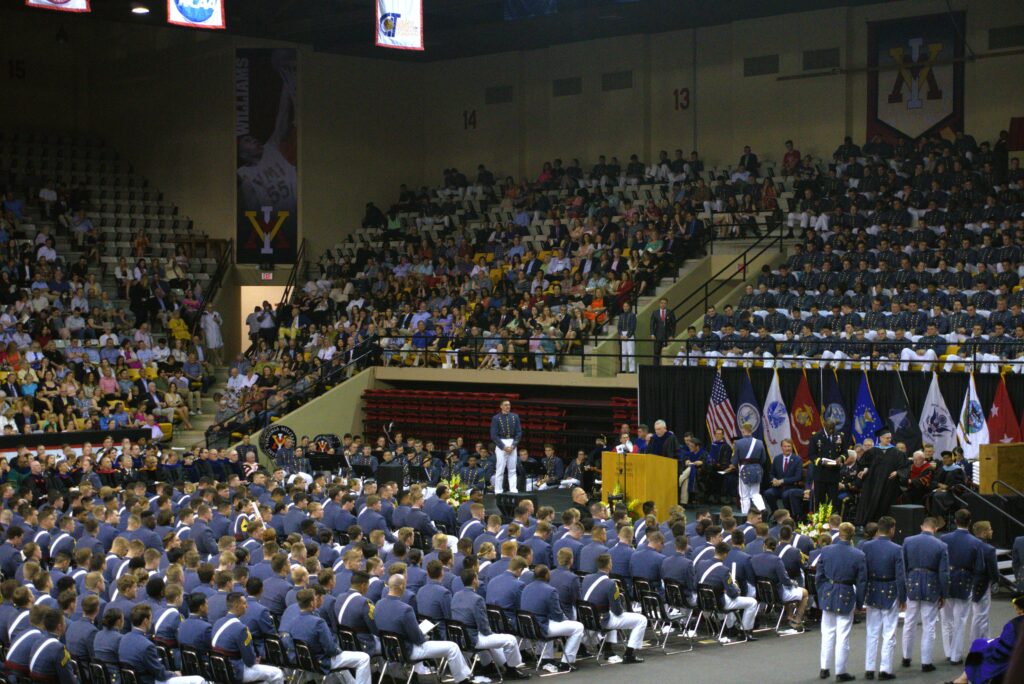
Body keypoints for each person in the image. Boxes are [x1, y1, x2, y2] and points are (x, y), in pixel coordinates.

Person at [373, 575, 481, 684]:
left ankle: (466, 675)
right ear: (401, 586)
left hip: (389, 650)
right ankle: (463, 680)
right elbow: (418, 639)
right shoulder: (405, 609)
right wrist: (424, 635)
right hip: (408, 650)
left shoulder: (378, 604)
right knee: (453, 647)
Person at [450, 569, 531, 680]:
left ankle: (497, 666)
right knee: (510, 639)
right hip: (472, 639)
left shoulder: (456, 595)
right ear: (474, 580)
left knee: (493, 641)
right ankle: (512, 669)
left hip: (459, 637)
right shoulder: (477, 599)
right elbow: (484, 627)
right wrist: (491, 633)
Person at [815, 522, 867, 682]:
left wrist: (821, 592)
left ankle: (824, 668)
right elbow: (861, 582)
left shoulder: (826, 550)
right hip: (845, 593)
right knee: (842, 635)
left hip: (828, 592)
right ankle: (840, 671)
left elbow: (819, 576)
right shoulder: (858, 555)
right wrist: (859, 603)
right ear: (853, 535)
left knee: (827, 632)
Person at [901, 516, 950, 673]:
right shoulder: (941, 545)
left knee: (909, 622)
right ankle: (926, 662)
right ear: (935, 529)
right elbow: (943, 572)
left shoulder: (908, 541)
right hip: (932, 586)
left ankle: (906, 657)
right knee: (929, 625)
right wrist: (944, 594)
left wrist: (904, 587)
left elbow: (904, 566)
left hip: (912, 583)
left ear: (922, 526)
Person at [860, 515, 906, 680]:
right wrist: (903, 597)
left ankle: (869, 668)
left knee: (872, 631)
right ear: (892, 529)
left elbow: (862, 573)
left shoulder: (866, 546)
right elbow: (900, 576)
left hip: (872, 589)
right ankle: (885, 669)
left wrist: (862, 594)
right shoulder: (896, 549)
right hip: (890, 591)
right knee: (889, 632)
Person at [580, 554, 646, 663]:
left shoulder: (587, 578)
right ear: (609, 565)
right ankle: (629, 654)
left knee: (611, 615)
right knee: (641, 620)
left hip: (586, 617)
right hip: (601, 620)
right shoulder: (611, 583)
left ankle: (608, 650)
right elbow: (618, 611)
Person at [941, 509, 987, 666]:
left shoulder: (944, 538)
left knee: (946, 619)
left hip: (946, 581)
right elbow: (980, 567)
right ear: (970, 522)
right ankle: (955, 656)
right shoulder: (976, 542)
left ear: (955, 520)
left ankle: (948, 652)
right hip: (964, 582)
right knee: (960, 620)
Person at [946, 594, 1024, 684]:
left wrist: (991, 643)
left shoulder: (1014, 624)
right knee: (981, 644)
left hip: (1011, 660)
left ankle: (964, 680)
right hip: (1014, 654)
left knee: (979, 645)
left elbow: (1002, 651)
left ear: (1019, 609)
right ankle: (962, 679)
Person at [118, 604, 205, 684]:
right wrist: (174, 674)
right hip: (148, 681)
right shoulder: (147, 646)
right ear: (145, 621)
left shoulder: (124, 638)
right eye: (151, 618)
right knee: (198, 680)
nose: (151, 622)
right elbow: (160, 674)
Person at [211, 592, 285, 684]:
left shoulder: (218, 622)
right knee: (277, 673)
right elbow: (250, 661)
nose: (247, 606)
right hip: (236, 671)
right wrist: (254, 659)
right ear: (237, 606)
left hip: (218, 670)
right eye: (244, 603)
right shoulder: (242, 629)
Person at [854, 431, 908, 527]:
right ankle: (869, 526)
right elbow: (865, 465)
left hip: (889, 484)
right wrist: (865, 470)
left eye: (890, 438)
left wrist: (897, 472)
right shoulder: (871, 452)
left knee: (886, 504)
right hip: (873, 484)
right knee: (871, 503)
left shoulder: (896, 453)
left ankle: (887, 526)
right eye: (887, 438)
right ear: (881, 438)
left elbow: (904, 467)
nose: (889, 440)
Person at [809, 419, 845, 509]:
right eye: (829, 429)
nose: (831, 431)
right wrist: (821, 461)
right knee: (819, 501)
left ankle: (833, 521)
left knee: (833, 502)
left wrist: (841, 458)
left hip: (834, 474)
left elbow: (845, 452)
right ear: (824, 426)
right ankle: (819, 520)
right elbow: (811, 455)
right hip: (821, 474)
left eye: (833, 429)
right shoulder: (816, 436)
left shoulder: (839, 436)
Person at [733, 422, 767, 515]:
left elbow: (735, 460)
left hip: (744, 469)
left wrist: (733, 465)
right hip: (757, 469)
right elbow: (763, 459)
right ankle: (762, 509)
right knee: (755, 493)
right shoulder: (759, 442)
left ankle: (745, 515)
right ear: (751, 430)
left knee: (744, 496)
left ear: (743, 431)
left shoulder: (738, 443)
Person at [490, 400, 522, 495]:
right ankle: (498, 490)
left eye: (509, 405)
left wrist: (513, 445)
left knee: (512, 468)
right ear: (501, 406)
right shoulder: (496, 418)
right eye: (505, 405)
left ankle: (513, 489)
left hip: (512, 441)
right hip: (501, 441)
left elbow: (519, 432)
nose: (508, 406)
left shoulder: (515, 416)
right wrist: (503, 447)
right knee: (500, 468)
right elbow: (493, 435)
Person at [764, 438, 804, 514]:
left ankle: (789, 515)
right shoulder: (777, 458)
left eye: (789, 446)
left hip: (791, 488)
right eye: (785, 446)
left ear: (792, 447)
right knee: (767, 493)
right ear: (781, 447)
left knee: (785, 495)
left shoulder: (797, 459)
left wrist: (782, 481)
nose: (787, 448)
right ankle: (776, 513)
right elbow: (771, 473)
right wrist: (774, 479)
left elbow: (797, 477)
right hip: (778, 488)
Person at [649, 297, 676, 366]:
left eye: (664, 303)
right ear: (659, 304)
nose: (663, 304)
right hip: (657, 335)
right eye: (662, 303)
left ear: (667, 304)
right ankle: (655, 368)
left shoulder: (670, 312)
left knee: (666, 353)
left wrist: (672, 335)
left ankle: (665, 367)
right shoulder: (655, 312)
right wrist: (652, 334)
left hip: (667, 335)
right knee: (656, 352)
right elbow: (652, 324)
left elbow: (673, 325)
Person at [617, 301, 637, 373]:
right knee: (623, 353)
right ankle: (623, 369)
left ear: (629, 307)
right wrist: (621, 335)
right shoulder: (621, 315)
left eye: (626, 306)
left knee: (631, 352)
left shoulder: (632, 315)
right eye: (624, 306)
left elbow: (633, 327)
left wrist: (627, 336)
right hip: (622, 335)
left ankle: (632, 370)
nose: (625, 308)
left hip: (629, 335)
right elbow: (619, 327)